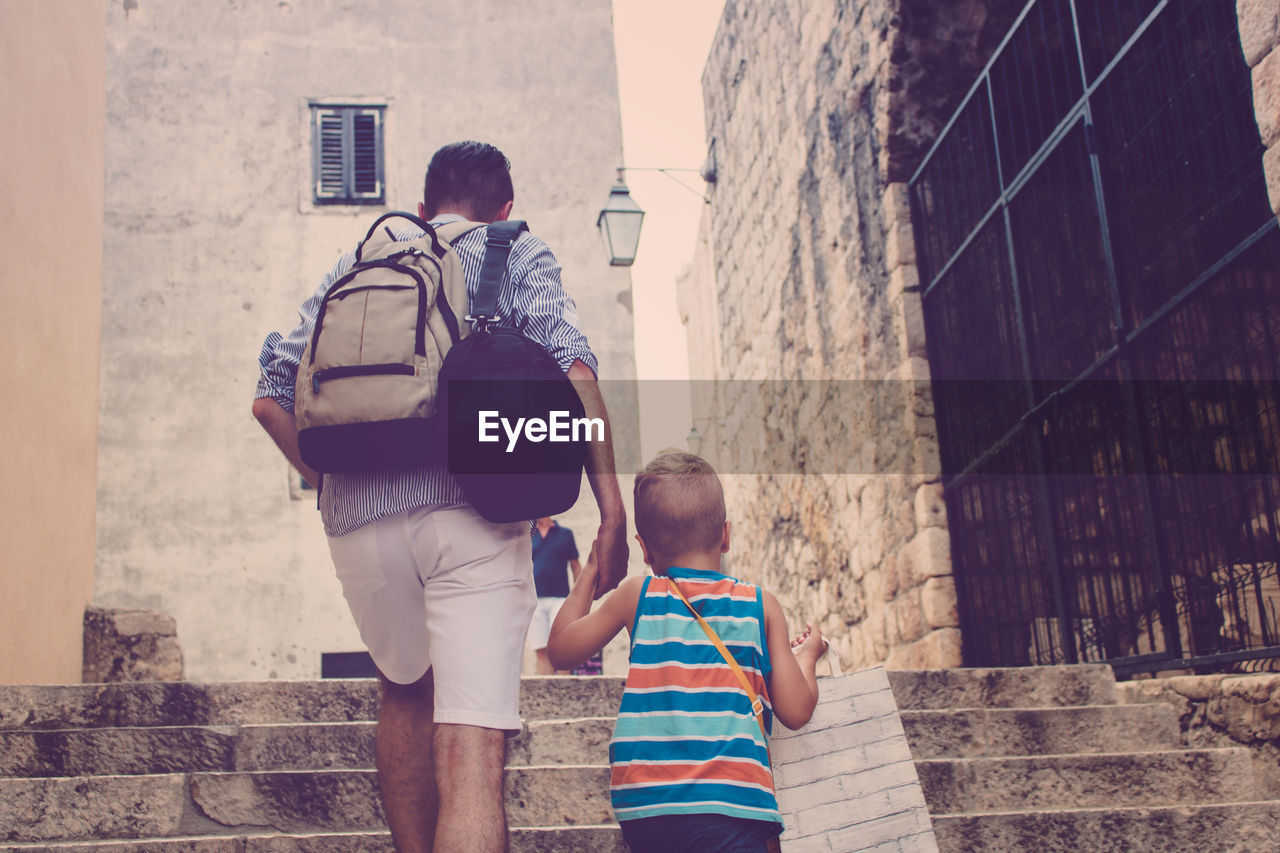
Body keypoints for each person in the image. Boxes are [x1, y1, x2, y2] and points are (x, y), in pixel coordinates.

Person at [251, 140, 629, 853]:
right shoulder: (512, 249)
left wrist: (335, 485)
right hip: (473, 513)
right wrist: (611, 507)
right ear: (505, 208)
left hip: (358, 523)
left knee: (404, 688)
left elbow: (271, 397)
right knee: (470, 751)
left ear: (423, 208)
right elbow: (575, 366)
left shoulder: (362, 259)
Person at [545, 451, 827, 853]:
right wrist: (808, 657)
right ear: (725, 535)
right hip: (733, 802)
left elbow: (560, 651)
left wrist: (591, 570)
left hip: (647, 806)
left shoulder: (637, 594)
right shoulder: (760, 605)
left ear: (644, 549)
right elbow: (796, 710)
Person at [528, 516, 581, 675]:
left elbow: (576, 566)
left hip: (560, 599)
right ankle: (547, 693)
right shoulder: (528, 536)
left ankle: (564, 689)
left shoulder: (565, 534)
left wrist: (579, 598)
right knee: (541, 649)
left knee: (562, 647)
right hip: (534, 600)